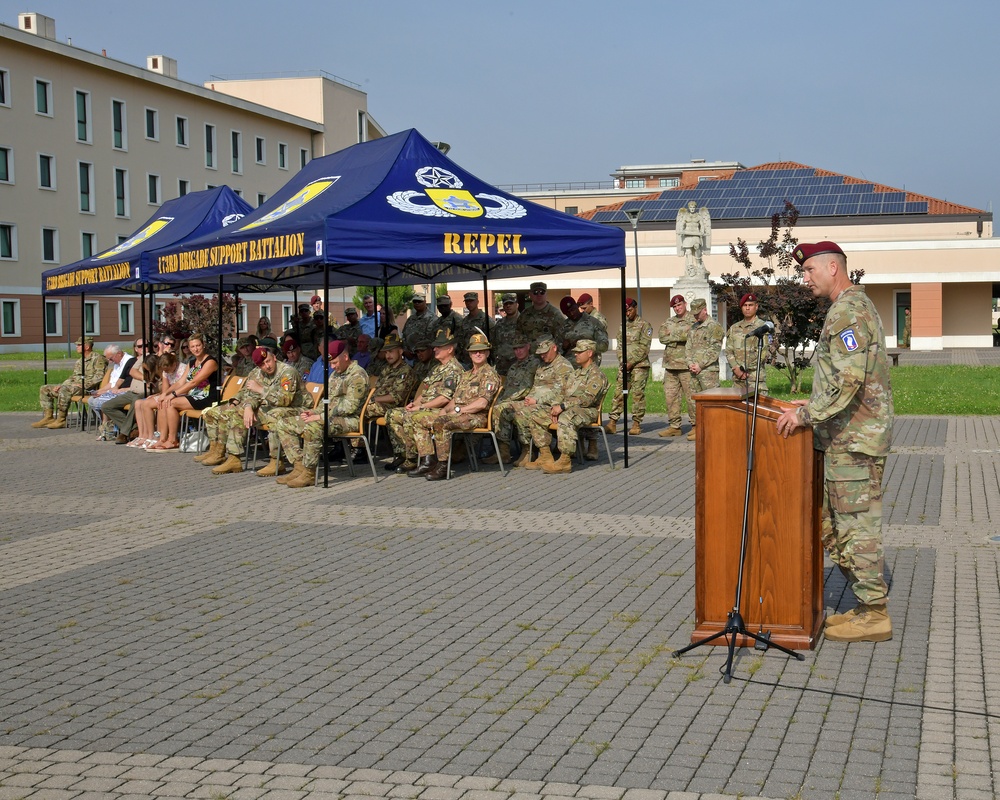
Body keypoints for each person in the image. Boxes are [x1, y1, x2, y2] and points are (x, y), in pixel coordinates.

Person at [776, 241, 893, 643]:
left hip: (854, 441)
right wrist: (811, 401)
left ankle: (874, 613)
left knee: (857, 528)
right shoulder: (846, 308)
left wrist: (805, 415)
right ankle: (864, 606)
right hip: (844, 437)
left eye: (809, 270)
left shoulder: (848, 311)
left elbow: (849, 378)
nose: (804, 279)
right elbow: (842, 376)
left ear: (833, 267)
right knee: (838, 527)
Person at [197, 346, 309, 474]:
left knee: (274, 415)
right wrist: (248, 407)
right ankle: (234, 458)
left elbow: (285, 400)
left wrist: (261, 389)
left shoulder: (288, 372)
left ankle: (276, 461)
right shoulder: (258, 373)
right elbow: (250, 394)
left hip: (296, 408)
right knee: (239, 413)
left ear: (274, 357)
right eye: (262, 364)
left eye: (268, 361)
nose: (267, 366)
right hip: (272, 406)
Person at [271, 339, 368, 488]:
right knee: (283, 423)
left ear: (345, 357)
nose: (332, 367)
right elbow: (327, 401)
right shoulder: (336, 374)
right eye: (331, 363)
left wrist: (320, 416)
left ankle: (309, 472)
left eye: (335, 363)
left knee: (314, 426)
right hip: (329, 416)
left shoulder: (358, 375)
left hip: (349, 420)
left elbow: (350, 406)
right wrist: (314, 412)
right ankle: (299, 466)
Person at [418, 333, 500, 480]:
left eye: (481, 351)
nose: (478, 354)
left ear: (487, 352)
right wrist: (444, 410)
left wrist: (458, 411)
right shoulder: (466, 375)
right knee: (423, 420)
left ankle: (443, 466)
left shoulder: (490, 374)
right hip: (459, 414)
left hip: (476, 416)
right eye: (474, 351)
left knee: (442, 423)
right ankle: (428, 460)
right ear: (469, 354)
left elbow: (482, 403)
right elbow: (455, 399)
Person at [387, 328, 465, 475]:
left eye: (439, 347)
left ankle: (426, 459)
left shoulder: (454, 369)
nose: (434, 349)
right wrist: (414, 404)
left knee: (413, 417)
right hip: (427, 407)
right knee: (392, 414)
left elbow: (445, 398)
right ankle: (408, 455)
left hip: (442, 410)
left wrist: (421, 407)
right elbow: (425, 391)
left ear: (449, 349)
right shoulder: (437, 368)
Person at [531, 339, 608, 474]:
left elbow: (587, 400)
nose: (576, 355)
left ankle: (565, 460)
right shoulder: (576, 373)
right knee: (536, 413)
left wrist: (562, 406)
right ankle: (545, 455)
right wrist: (555, 407)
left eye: (579, 352)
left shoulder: (597, 375)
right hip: (568, 408)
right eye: (575, 352)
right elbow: (563, 393)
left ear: (589, 353)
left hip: (587, 411)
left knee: (567, 417)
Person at [510, 335, 575, 470]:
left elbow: (561, 392)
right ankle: (529, 449)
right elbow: (536, 386)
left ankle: (543, 452)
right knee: (513, 409)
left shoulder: (563, 366)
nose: (542, 356)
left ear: (554, 348)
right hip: (537, 402)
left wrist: (537, 400)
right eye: (540, 353)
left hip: (554, 405)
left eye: (545, 353)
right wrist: (530, 398)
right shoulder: (542, 365)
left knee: (528, 413)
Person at [149, 332, 219, 451]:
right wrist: (164, 394)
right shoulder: (192, 362)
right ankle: (163, 439)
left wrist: (173, 395)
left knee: (171, 402)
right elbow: (180, 382)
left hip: (206, 397)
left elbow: (194, 382)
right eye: (192, 346)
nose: (195, 349)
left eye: (198, 345)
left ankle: (173, 440)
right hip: (193, 396)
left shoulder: (210, 362)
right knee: (164, 401)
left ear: (203, 345)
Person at [483, 334, 539, 466]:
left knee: (501, 409)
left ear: (528, 347)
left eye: (521, 348)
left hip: (528, 400)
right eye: (515, 349)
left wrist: (503, 402)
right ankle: (502, 452)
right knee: (492, 408)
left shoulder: (534, 364)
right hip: (511, 401)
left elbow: (525, 389)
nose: (518, 351)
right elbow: (506, 388)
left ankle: (527, 451)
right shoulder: (514, 366)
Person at [32, 336, 108, 429]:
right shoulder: (80, 361)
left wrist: (83, 385)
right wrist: (62, 385)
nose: (77, 347)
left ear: (87, 347)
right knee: (45, 388)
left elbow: (99, 377)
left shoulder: (98, 359)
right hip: (74, 387)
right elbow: (73, 377)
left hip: (88, 389)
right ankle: (49, 417)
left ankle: (61, 420)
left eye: (79, 345)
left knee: (65, 390)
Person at [606, 297, 652, 435]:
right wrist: (622, 360)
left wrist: (631, 362)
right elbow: (619, 345)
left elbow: (644, 347)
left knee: (637, 394)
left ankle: (636, 423)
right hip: (624, 365)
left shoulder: (645, 325)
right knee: (619, 393)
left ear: (635, 308)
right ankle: (613, 422)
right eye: (625, 311)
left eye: (630, 310)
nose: (628, 314)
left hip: (639, 365)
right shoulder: (623, 325)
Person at [684, 298, 724, 441]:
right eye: (693, 313)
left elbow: (715, 349)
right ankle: (699, 428)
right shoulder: (694, 327)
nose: (695, 316)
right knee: (694, 401)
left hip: (708, 372)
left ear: (705, 310)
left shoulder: (714, 327)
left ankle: (713, 429)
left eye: (697, 313)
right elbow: (688, 347)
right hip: (694, 370)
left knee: (711, 402)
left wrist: (700, 365)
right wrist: (690, 363)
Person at [658, 295, 695, 438]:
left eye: (679, 305)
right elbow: (662, 337)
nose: (677, 308)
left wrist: (672, 334)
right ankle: (674, 426)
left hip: (686, 365)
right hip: (670, 365)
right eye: (674, 306)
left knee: (691, 398)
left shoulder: (693, 319)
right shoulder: (669, 321)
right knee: (671, 397)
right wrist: (681, 333)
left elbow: (692, 335)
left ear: (685, 304)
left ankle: (695, 425)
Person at [132, 351, 185, 448]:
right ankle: (152, 436)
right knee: (149, 403)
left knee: (162, 403)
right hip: (170, 393)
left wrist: (165, 395)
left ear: (174, 364)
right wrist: (162, 395)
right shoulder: (165, 370)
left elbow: (180, 385)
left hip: (180, 393)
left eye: (169, 370)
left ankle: (162, 437)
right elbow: (165, 386)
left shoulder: (182, 368)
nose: (168, 372)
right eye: (166, 371)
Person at [104, 354, 157, 444]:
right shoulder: (144, 357)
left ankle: (124, 433)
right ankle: (133, 429)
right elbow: (132, 371)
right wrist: (145, 379)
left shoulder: (157, 359)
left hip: (145, 392)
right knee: (106, 406)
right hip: (131, 391)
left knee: (136, 401)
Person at [725, 293, 769, 397]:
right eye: (745, 306)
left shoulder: (762, 327)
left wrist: (744, 369)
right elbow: (729, 350)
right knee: (737, 411)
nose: (747, 308)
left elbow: (762, 353)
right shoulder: (734, 328)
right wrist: (736, 369)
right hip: (737, 380)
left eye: (750, 305)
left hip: (754, 378)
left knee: (758, 411)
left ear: (756, 307)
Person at [92, 344, 138, 440]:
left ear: (119, 354)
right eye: (108, 359)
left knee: (102, 402)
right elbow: (116, 381)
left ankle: (109, 430)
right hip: (120, 390)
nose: (110, 362)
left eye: (111, 359)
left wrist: (111, 390)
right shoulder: (118, 363)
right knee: (95, 401)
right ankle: (127, 428)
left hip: (130, 391)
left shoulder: (131, 361)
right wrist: (100, 391)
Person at [559, 296, 608, 362]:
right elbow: (555, 349)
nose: (572, 313)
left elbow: (604, 345)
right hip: (569, 367)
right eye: (568, 313)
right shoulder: (563, 326)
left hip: (589, 365)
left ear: (577, 306)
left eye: (573, 309)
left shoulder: (593, 322)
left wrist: (585, 345)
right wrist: (563, 347)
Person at [516, 282, 565, 346]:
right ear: (530, 295)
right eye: (535, 292)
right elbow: (518, 337)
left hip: (548, 354)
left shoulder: (555, 314)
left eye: (542, 292)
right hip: (529, 355)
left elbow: (562, 339)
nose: (539, 295)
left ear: (546, 294)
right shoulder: (524, 315)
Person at [676, 199, 712, 279]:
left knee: (697, 247)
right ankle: (690, 266)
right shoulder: (685, 216)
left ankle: (698, 262)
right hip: (687, 235)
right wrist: (682, 230)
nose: (692, 209)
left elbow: (702, 225)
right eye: (691, 207)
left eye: (693, 207)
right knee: (688, 251)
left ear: (695, 208)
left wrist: (702, 232)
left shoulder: (698, 216)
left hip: (696, 234)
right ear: (689, 208)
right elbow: (682, 225)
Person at [489, 293, 521, 375]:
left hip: (518, 367)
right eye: (506, 304)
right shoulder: (500, 323)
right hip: (501, 367)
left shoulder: (523, 322)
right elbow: (494, 342)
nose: (508, 306)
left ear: (517, 305)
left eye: (511, 303)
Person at [456, 291, 489, 366]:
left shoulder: (486, 320)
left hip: (479, 360)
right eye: (467, 301)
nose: (469, 303)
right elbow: (460, 341)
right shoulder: (464, 321)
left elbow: (491, 342)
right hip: (465, 361)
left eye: (471, 301)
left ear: (477, 301)